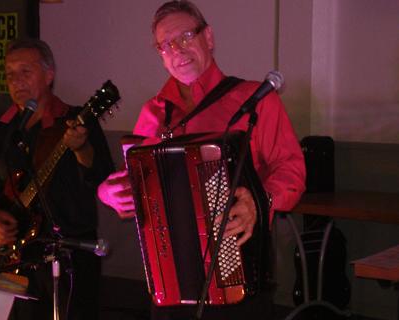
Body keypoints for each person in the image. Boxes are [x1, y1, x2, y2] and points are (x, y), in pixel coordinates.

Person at [97, 1, 306, 319]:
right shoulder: (153, 114)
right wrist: (110, 194)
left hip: (239, 281)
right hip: (170, 279)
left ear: (208, 37)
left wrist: (260, 200)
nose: (177, 50)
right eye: (165, 45)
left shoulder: (256, 99)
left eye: (185, 37)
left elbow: (292, 170)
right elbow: (134, 184)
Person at [0, 38, 114, 320]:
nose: (17, 81)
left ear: (49, 74)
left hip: (71, 257)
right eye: (10, 74)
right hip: (17, 258)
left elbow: (103, 179)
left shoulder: (76, 120)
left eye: (25, 72)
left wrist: (82, 149)